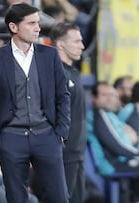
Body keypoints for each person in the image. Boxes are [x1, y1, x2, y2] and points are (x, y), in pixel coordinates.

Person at [0, 3, 71, 203]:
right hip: (10, 138)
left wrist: (61, 132)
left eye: (38, 23)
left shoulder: (50, 55)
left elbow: (63, 96)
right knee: (16, 198)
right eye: (31, 23)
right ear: (14, 27)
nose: (38, 28)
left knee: (59, 197)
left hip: (46, 136)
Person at [49, 22, 86, 203]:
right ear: (60, 44)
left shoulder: (74, 72)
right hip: (62, 152)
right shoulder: (54, 73)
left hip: (77, 151)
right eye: (77, 41)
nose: (82, 46)